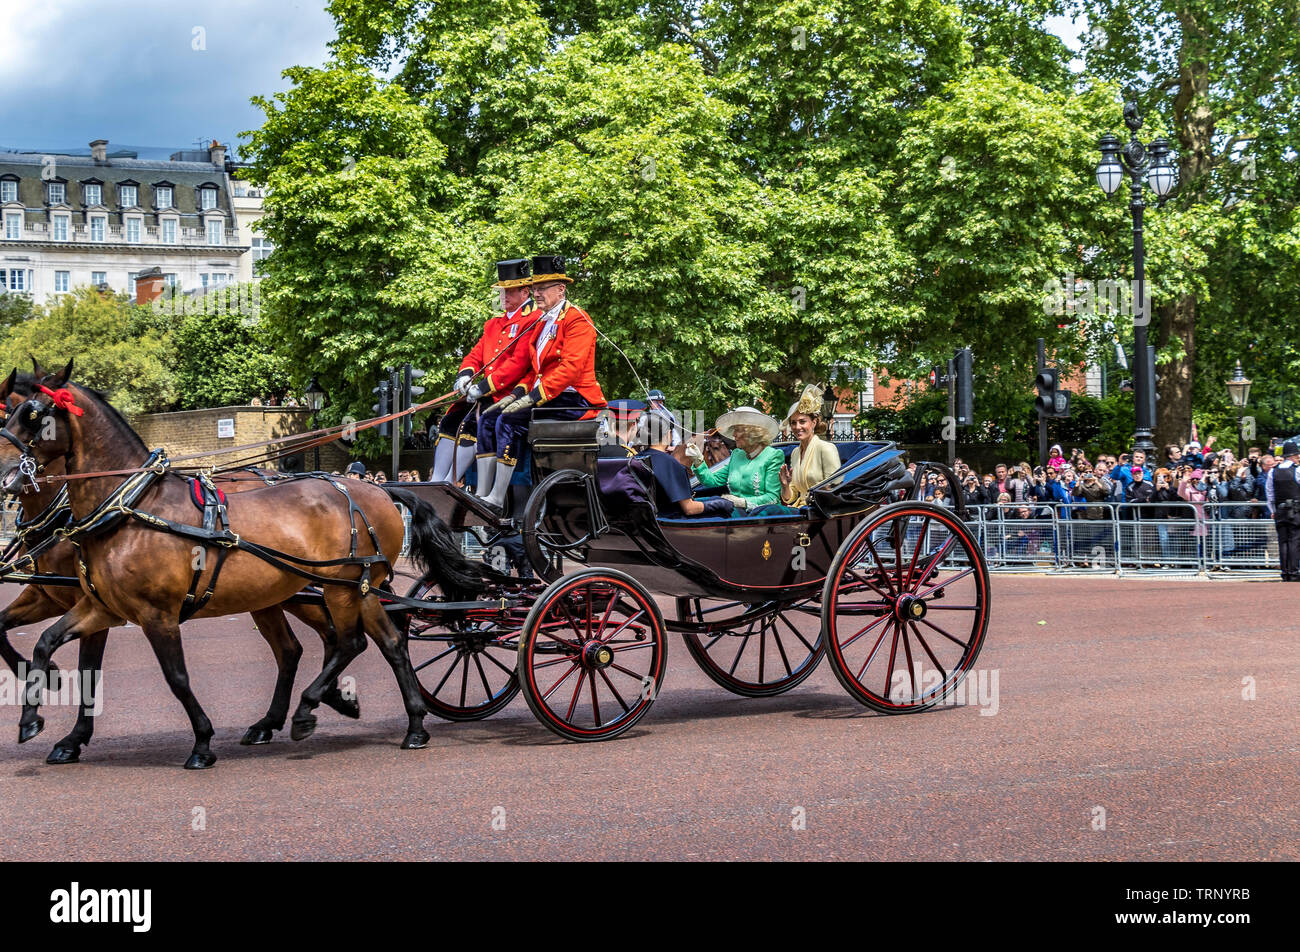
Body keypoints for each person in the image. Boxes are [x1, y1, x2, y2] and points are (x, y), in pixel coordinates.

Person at [478, 255, 608, 510]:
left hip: (575, 398)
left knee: (508, 420)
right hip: (550, 395)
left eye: (541, 288)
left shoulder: (577, 319)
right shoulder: (541, 321)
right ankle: (482, 493)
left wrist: (533, 398)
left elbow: (570, 369)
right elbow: (531, 369)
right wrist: (516, 394)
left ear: (561, 289)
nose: (535, 293)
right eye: (534, 288)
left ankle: (497, 497)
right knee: (487, 419)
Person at [431, 258, 536, 486]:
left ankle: (450, 481)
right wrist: (465, 376)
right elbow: (475, 355)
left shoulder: (533, 320)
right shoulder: (492, 324)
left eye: (509, 291)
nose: (504, 296)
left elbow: (518, 364)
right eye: (502, 291)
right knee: (450, 420)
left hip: (508, 393)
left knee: (472, 426)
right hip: (482, 394)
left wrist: (483, 387)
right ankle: (436, 480)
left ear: (525, 292)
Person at [684, 407, 783, 514]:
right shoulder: (737, 454)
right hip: (736, 512)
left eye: (737, 430)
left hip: (763, 515)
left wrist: (743, 502)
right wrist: (698, 461)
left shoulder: (773, 456)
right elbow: (712, 481)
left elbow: (773, 497)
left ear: (752, 432)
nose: (734, 434)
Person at [635, 425, 734, 518]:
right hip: (671, 521)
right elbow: (689, 509)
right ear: (667, 435)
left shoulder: (636, 458)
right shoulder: (671, 463)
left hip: (647, 519)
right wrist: (721, 503)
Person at [778, 384, 841, 508]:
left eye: (802, 421)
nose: (797, 427)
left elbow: (835, 486)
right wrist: (785, 485)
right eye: (793, 423)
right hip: (801, 510)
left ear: (814, 422)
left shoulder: (826, 448)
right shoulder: (796, 452)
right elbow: (790, 496)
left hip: (820, 510)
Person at [1265, 440, 1300, 581]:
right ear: (1293, 455)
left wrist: (1272, 510)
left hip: (1279, 510)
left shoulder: (1273, 472)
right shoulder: (1297, 470)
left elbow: (1270, 494)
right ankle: (1293, 572)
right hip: (1296, 510)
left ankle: (1285, 572)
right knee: (1294, 541)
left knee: (1283, 541)